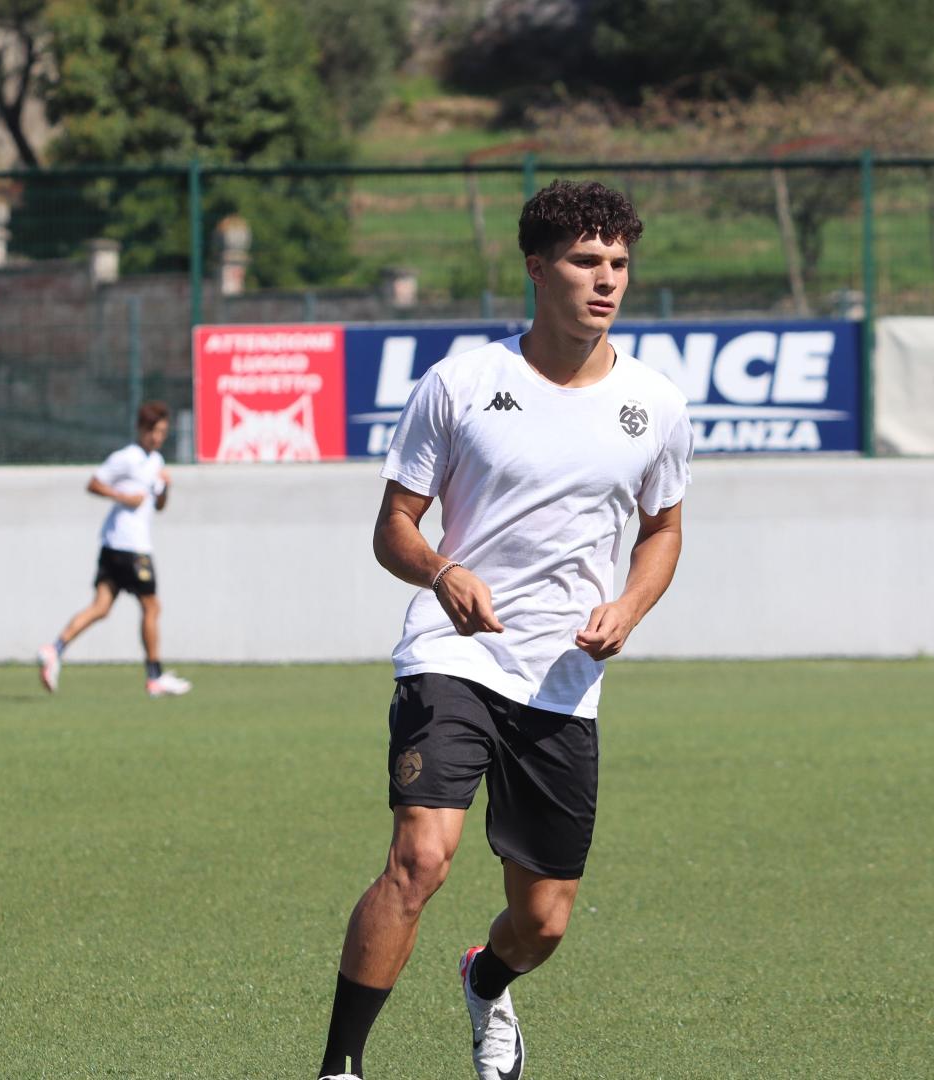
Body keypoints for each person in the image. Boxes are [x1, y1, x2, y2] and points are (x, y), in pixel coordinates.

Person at [314, 180, 691, 1080]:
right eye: (585, 261)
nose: (606, 281)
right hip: (454, 657)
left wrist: (629, 608)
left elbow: (664, 532)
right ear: (537, 268)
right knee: (420, 857)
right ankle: (339, 1069)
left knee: (544, 921)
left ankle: (485, 980)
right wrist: (443, 572)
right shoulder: (461, 385)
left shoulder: (657, 405)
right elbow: (393, 526)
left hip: (562, 681)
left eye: (619, 264)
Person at [37, 401, 192, 698]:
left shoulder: (156, 462)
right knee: (151, 606)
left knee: (101, 608)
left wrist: (166, 487)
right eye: (154, 431)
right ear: (141, 430)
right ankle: (154, 677)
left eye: (162, 432)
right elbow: (93, 484)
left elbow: (159, 506)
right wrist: (122, 496)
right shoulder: (127, 458)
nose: (158, 438)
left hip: (115, 545)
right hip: (130, 546)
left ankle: (54, 650)